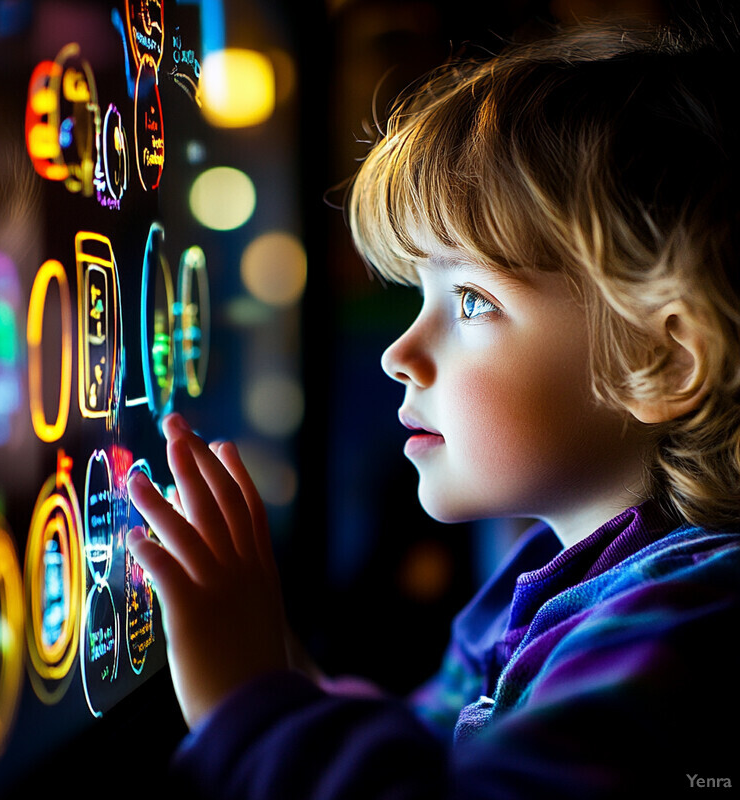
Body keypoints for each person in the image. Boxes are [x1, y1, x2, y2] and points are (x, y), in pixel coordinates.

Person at [126, 20, 740, 799]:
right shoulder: (553, 578)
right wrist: (274, 658)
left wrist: (248, 704)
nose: (400, 353)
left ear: (662, 361)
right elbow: (427, 745)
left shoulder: (682, 624)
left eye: (473, 301)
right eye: (420, 295)